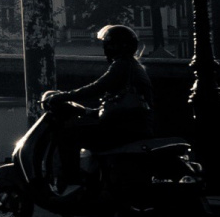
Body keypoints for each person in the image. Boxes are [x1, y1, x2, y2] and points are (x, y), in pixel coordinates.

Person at [44, 23, 155, 189]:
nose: (105, 49)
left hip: (124, 129)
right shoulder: (133, 66)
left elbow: (96, 88)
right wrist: (89, 111)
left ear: (115, 47)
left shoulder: (122, 65)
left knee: (68, 136)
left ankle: (71, 182)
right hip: (132, 126)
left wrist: (61, 96)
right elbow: (116, 103)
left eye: (107, 45)